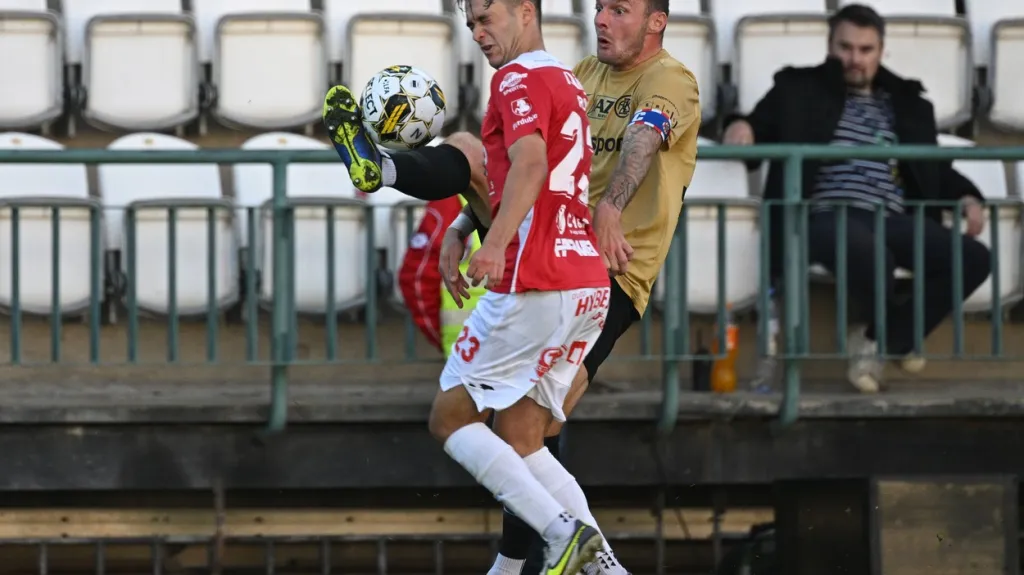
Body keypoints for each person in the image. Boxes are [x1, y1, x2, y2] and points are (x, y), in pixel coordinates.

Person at [322, 0, 699, 571]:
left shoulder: (666, 79)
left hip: (609, 269)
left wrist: (593, 213)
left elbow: (618, 148)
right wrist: (465, 222)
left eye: (619, 10)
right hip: (579, 268)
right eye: (599, 8)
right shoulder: (573, 76)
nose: (601, 19)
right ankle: (595, 564)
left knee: (482, 423)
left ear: (656, 21)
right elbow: (535, 163)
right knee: (522, 431)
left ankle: (542, 547)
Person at [722, 3, 991, 393]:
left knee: (974, 257)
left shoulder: (907, 102)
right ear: (830, 46)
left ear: (881, 51)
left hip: (891, 217)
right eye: (845, 48)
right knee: (868, 250)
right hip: (824, 215)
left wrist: (968, 195)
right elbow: (756, 124)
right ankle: (892, 338)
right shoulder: (799, 89)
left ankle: (881, 339)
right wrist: (740, 126)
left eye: (865, 50)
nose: (854, 59)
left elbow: (932, 168)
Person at [397, 195, 486, 353]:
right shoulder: (452, 202)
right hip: (524, 350)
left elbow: (417, 279)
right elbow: (418, 278)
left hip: (470, 349)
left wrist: (438, 335)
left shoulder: (451, 201)